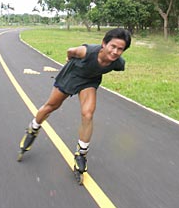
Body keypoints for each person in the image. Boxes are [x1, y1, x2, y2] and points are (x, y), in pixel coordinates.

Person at [17, 28, 131, 178]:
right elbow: (70, 51)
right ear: (104, 44)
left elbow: (118, 65)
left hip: (89, 81)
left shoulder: (118, 63)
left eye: (120, 49)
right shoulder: (87, 51)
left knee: (88, 114)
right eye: (113, 46)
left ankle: (81, 153)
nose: (115, 52)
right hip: (72, 75)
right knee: (51, 107)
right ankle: (33, 128)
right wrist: (69, 59)